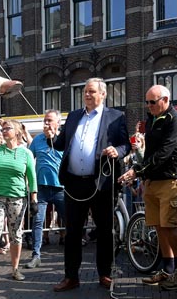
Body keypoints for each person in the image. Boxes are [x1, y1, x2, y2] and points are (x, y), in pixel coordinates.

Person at [47, 77, 130, 292]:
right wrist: (51, 135)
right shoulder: (74, 116)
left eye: (91, 91)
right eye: (85, 91)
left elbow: (125, 145)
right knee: (73, 232)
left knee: (104, 230)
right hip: (74, 184)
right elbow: (60, 144)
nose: (87, 94)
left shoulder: (116, 117)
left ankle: (105, 274)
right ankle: (71, 277)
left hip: (100, 183)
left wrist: (117, 152)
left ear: (103, 94)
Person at [118, 85, 177, 290]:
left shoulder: (176, 120)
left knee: (172, 226)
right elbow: (150, 154)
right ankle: (168, 269)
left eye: (152, 102)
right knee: (159, 226)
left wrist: (138, 172)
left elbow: (165, 152)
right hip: (153, 181)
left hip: (172, 181)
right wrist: (140, 170)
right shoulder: (151, 120)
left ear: (165, 100)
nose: (149, 106)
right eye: (147, 102)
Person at [0, 119, 37, 282]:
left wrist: (34, 199)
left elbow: (32, 178)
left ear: (17, 132)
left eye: (7, 128)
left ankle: (15, 269)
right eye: (2, 129)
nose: (3, 131)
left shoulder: (26, 153)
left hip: (17, 197)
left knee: (15, 234)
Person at [24, 109, 65, 269]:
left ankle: (72, 254)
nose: (46, 123)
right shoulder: (37, 140)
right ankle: (36, 255)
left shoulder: (63, 139)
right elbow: (28, 159)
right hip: (41, 188)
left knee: (69, 219)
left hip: (60, 188)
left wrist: (53, 138)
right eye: (45, 120)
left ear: (58, 123)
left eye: (50, 120)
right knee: (38, 221)